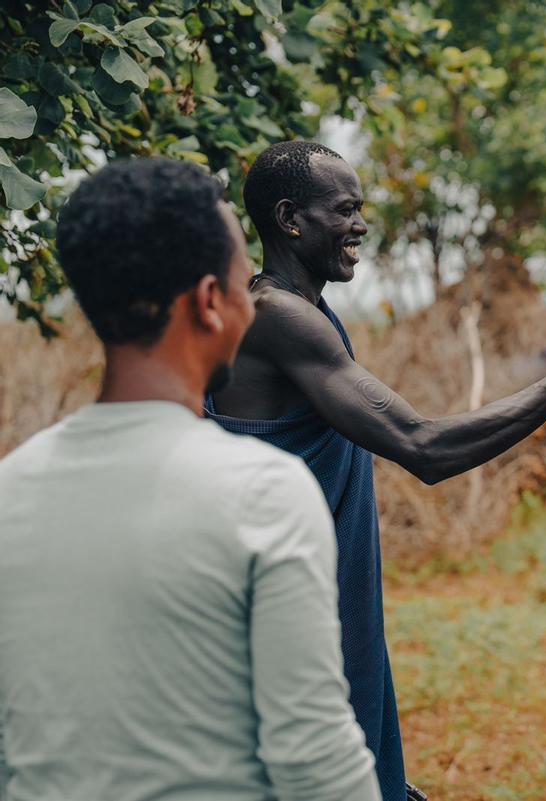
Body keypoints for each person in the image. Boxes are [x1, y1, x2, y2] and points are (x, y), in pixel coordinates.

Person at [207, 140, 546, 798]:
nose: (360, 225)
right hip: (287, 611)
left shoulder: (303, 312)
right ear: (289, 218)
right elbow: (423, 446)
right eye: (345, 210)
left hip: (321, 593)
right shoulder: (279, 317)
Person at [0, 159, 380, 800]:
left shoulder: (12, 489)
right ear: (211, 304)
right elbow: (315, 760)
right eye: (242, 285)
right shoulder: (264, 494)